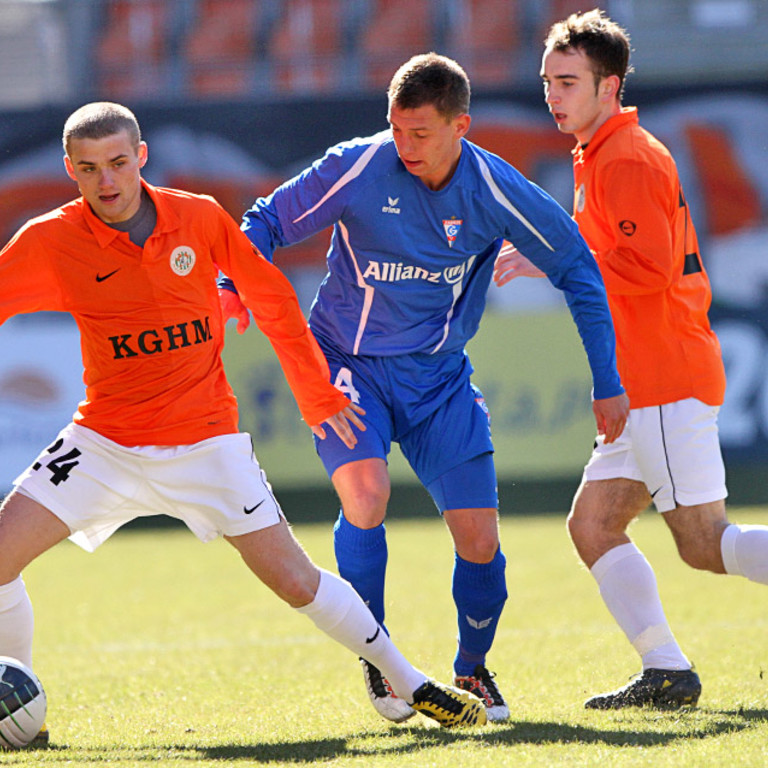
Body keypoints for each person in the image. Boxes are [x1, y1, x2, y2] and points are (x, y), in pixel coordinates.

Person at [0, 101, 489, 749]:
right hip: (103, 442)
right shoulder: (49, 240)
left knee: (296, 580)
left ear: (141, 158)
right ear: (71, 171)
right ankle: (19, 708)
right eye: (89, 169)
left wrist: (317, 398)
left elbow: (273, 298)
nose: (107, 181)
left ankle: (407, 679)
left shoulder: (198, 218)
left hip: (206, 443)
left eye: (118, 163)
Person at [219, 53, 629, 724]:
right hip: (349, 365)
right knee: (366, 494)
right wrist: (230, 282)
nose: (403, 146)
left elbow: (579, 268)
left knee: (480, 542)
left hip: (439, 379)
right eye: (395, 129)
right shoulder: (360, 163)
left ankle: (472, 667)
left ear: (460, 126)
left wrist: (607, 382)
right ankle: (381, 663)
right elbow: (264, 221)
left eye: (420, 134)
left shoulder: (495, 189)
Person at [496, 8, 768, 710]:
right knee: (593, 523)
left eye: (569, 81)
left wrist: (552, 260)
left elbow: (645, 269)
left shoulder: (627, 155)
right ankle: (668, 672)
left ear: (609, 86)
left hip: (664, 379)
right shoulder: (599, 152)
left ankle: (669, 672)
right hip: (642, 383)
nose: (553, 94)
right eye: (548, 81)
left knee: (705, 544)